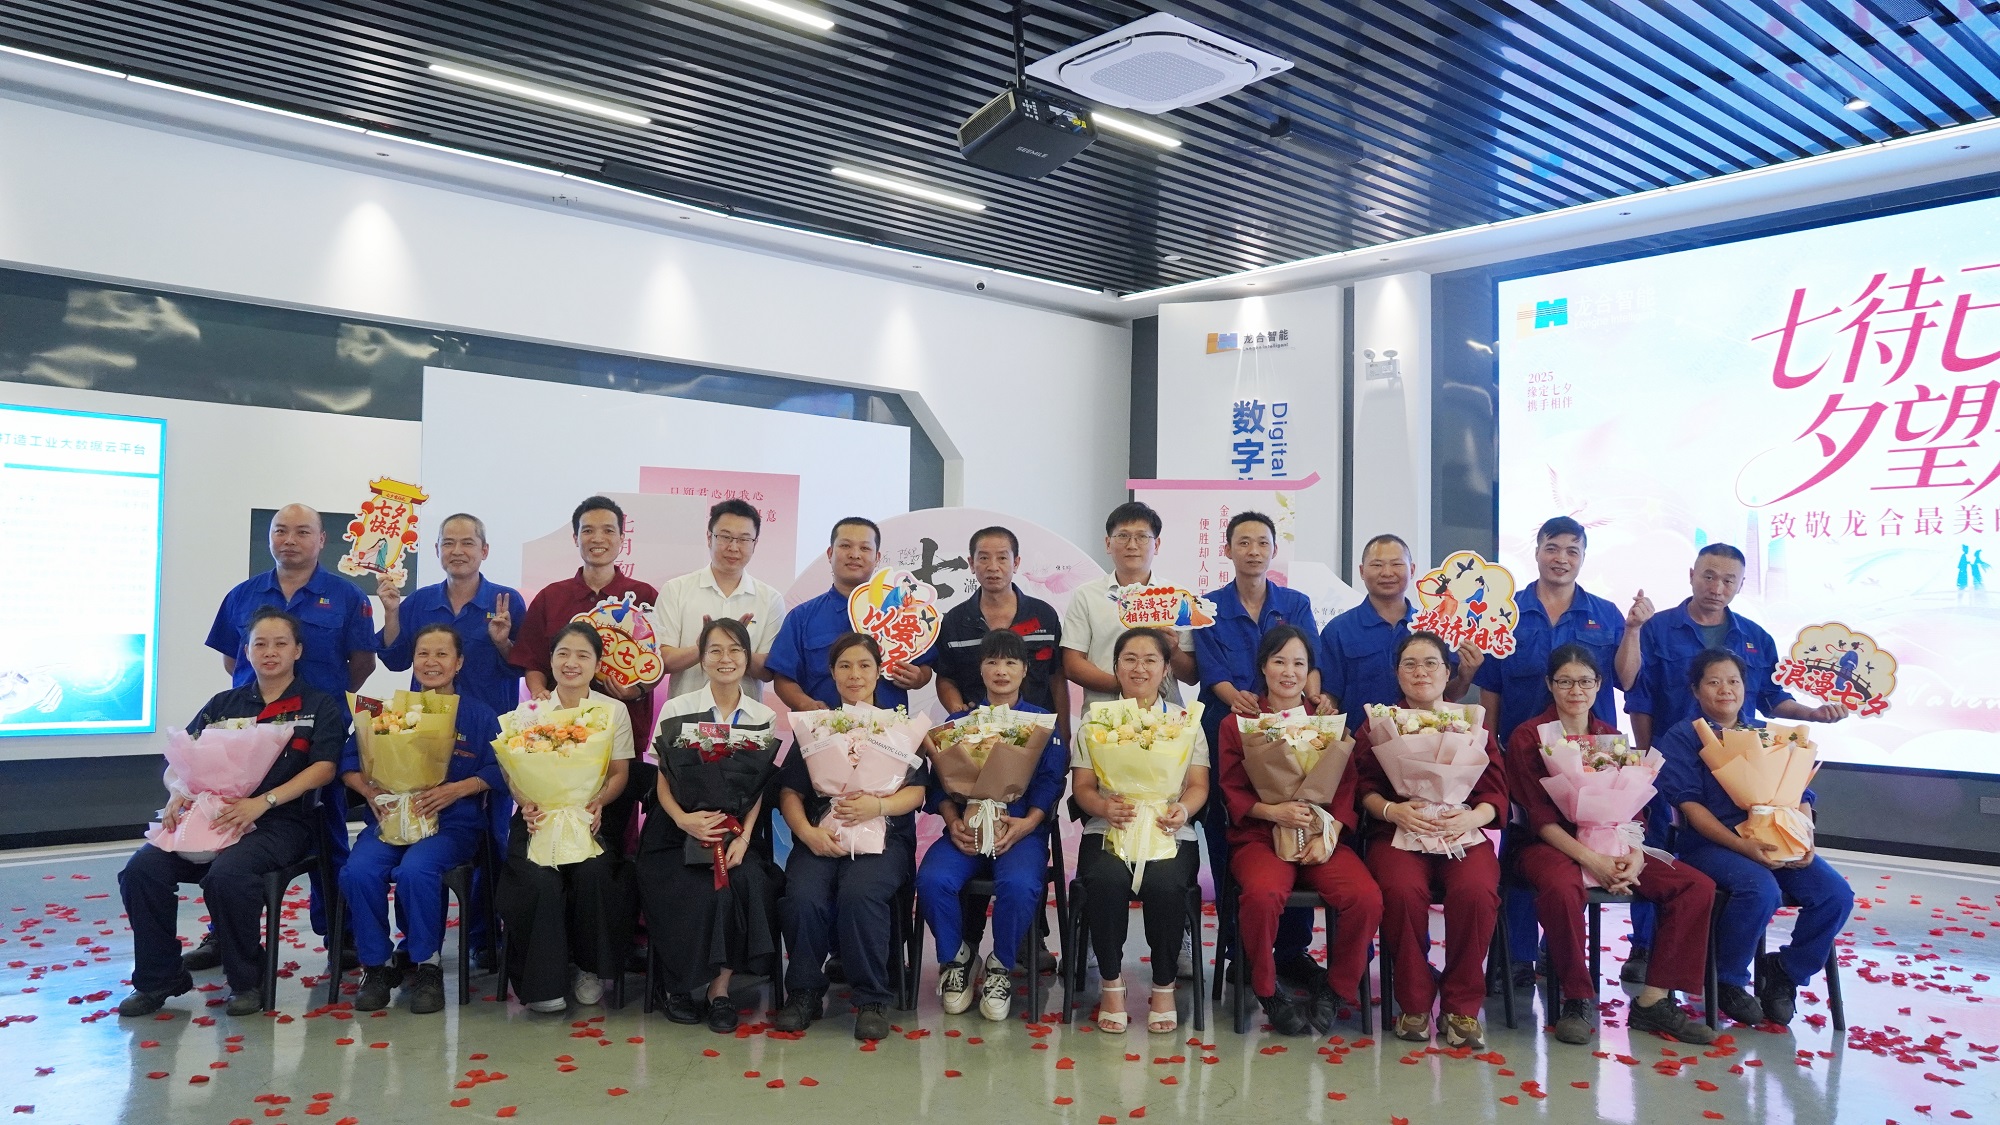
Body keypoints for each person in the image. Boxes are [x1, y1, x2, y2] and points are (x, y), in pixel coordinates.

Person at [1623, 543, 1843, 979]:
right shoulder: (1657, 628)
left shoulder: (1756, 637)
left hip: (1747, 789)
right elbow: (1639, 698)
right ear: (1691, 575)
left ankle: (1776, 974)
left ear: (1741, 585)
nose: (1717, 587)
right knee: (1658, 856)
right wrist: (1648, 762)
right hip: (1674, 765)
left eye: (1728, 580)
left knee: (1825, 892)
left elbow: (1773, 698)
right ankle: (1647, 948)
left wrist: (1812, 714)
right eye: (1709, 576)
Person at [118, 608, 349, 1017]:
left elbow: (324, 768)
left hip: (279, 823)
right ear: (246, 651)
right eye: (260, 644)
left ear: (297, 650)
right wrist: (177, 792)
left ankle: (246, 980)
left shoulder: (318, 705)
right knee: (141, 871)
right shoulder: (223, 704)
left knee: (228, 875)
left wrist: (264, 801)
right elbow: (179, 760)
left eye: (280, 644)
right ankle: (159, 978)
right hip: (211, 819)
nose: (270, 652)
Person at [1503, 644, 1717, 1046]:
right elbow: (1537, 816)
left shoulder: (1609, 737)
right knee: (1561, 887)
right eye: (1565, 682)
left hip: (1613, 841)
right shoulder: (1529, 736)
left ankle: (1654, 1001)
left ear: (1599, 684)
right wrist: (1593, 861)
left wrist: (1633, 856)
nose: (1576, 691)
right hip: (1545, 845)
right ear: (1550, 684)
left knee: (1695, 886)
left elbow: (1631, 809)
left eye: (1585, 681)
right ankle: (1577, 998)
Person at [1472, 516, 1645, 989]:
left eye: (1572, 550)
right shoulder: (1505, 611)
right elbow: (1491, 689)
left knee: (1585, 842)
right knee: (1522, 846)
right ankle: (1517, 956)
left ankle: (1557, 949)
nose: (1561, 558)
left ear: (1583, 557)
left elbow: (1627, 678)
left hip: (1591, 760)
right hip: (1523, 755)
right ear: (1536, 552)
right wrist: (1491, 750)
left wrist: (1632, 631)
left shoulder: (1606, 614)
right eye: (1552, 548)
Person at [203, 503, 374, 956]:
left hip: (317, 736)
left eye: (302, 532)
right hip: (248, 738)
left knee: (328, 834)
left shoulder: (347, 596)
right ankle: (224, 933)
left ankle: (339, 933)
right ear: (270, 537)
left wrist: (319, 705)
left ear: (322, 540)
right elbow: (233, 661)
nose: (290, 540)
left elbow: (362, 664)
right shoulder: (242, 594)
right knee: (230, 828)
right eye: (281, 531)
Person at [1657, 649, 1854, 1028]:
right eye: (1714, 682)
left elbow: (1799, 792)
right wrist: (1742, 845)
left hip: (1776, 837)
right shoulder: (1683, 737)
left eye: (1733, 681)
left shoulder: (1768, 732)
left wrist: (1804, 838)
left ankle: (1786, 971)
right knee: (1760, 890)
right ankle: (1727, 978)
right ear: (1695, 690)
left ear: (1745, 687)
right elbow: (1691, 809)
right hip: (1712, 844)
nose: (1725, 690)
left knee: (1835, 895)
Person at [1214, 625, 1382, 1035]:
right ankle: (1268, 990)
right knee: (1262, 895)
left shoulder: (1327, 723)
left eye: (1299, 664)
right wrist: (1275, 812)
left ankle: (1335, 989)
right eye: (1279, 662)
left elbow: (1346, 786)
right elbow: (1231, 791)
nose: (1289, 672)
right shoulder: (1238, 724)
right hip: (1261, 837)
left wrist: (1331, 831)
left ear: (1310, 672)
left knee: (1365, 897)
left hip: (1321, 835)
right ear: (1263, 667)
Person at [336, 623, 504, 1015]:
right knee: (358, 870)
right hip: (390, 819)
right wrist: (368, 791)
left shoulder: (478, 715)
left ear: (458, 663)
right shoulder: (386, 711)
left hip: (452, 824)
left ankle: (427, 965)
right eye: (423, 653)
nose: (431, 662)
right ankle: (376, 966)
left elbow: (502, 769)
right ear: (412, 660)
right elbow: (348, 761)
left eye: (442, 654)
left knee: (417, 870)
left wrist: (457, 789)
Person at [1192, 511, 1327, 990]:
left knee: (1297, 821)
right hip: (1229, 730)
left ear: (1273, 550)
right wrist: (1241, 703)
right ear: (1227, 550)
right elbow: (1211, 671)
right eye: (1243, 542)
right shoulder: (1208, 607)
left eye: (1262, 542)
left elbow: (1309, 661)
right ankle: (1239, 949)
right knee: (1230, 828)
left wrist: (1311, 699)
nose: (1253, 551)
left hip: (1291, 729)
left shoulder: (1295, 603)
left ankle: (1292, 951)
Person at [773, 633, 929, 1041]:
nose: (854, 674)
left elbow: (917, 792)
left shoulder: (898, 727)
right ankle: (804, 992)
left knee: (860, 893)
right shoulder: (817, 726)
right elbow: (790, 791)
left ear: (879, 672)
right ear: (832, 673)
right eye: (844, 666)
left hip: (883, 838)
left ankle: (872, 998)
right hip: (821, 836)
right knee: (803, 894)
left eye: (864, 665)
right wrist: (806, 832)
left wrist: (877, 806)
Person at [1354, 631, 1505, 1050]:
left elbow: (1495, 792)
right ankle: (1414, 1002)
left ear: (1448, 672)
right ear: (1397, 673)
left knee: (1476, 890)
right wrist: (1392, 810)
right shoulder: (1379, 723)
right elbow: (1362, 787)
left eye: (1430, 663)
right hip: (1399, 828)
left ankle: (1460, 1007)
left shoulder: (1471, 722)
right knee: (1401, 890)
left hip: (1461, 829)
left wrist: (1473, 816)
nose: (1420, 672)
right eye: (1410, 664)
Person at [636, 616, 784, 1033]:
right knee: (692, 889)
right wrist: (684, 819)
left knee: (745, 883)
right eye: (715, 649)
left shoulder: (761, 714)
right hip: (677, 829)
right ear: (701, 658)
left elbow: (757, 787)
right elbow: (663, 778)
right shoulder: (677, 708)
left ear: (746, 658)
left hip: (734, 832)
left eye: (735, 649)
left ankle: (720, 992)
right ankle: (677, 986)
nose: (725, 658)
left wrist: (745, 837)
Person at [916, 629, 1067, 1022]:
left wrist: (1028, 823)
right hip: (966, 829)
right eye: (992, 662)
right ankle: (958, 959)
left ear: (1025, 670)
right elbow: (939, 783)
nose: (1001, 670)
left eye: (1011, 662)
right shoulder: (958, 722)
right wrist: (952, 821)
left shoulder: (1041, 724)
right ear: (980, 670)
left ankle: (1000, 965)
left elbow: (1051, 782)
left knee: (1019, 884)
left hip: (1019, 832)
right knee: (932, 879)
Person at [1071, 628, 1209, 1035]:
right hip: (1109, 827)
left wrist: (1183, 809)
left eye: (1151, 660)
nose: (1139, 668)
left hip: (1169, 830)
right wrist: (1104, 807)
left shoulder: (1186, 722)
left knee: (1166, 885)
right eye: (1129, 659)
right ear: (1116, 667)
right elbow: (1082, 788)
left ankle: (1164, 984)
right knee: (1105, 880)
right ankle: (1111, 984)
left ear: (1166, 669)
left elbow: (1198, 784)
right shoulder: (1096, 720)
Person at [496, 622, 635, 1013]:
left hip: (590, 819)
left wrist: (598, 803)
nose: (571, 663)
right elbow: (512, 772)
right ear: (551, 660)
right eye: (563, 654)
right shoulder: (530, 712)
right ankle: (543, 982)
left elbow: (620, 773)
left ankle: (589, 969)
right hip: (537, 819)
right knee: (538, 880)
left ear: (597, 665)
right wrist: (525, 802)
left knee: (594, 874)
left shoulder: (613, 711)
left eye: (582, 655)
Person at [506, 497, 657, 845]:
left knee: (615, 835)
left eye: (608, 530)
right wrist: (539, 696)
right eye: (588, 530)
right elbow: (533, 661)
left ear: (622, 539)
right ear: (575, 538)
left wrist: (634, 691)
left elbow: (654, 664)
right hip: (556, 736)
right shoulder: (551, 597)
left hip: (619, 737)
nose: (597, 538)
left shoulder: (644, 596)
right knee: (550, 821)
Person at [768, 517, 934, 713]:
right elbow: (783, 677)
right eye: (845, 546)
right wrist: (806, 705)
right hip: (821, 728)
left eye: (864, 548)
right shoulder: (801, 617)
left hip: (888, 728)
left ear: (877, 557)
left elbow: (925, 667)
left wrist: (919, 678)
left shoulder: (904, 612)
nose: (855, 555)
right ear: (830, 553)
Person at [373, 513, 525, 718]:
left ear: (484, 550)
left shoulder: (507, 601)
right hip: (426, 720)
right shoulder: (420, 600)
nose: (457, 551)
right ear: (437, 550)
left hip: (489, 721)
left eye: (467, 543)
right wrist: (391, 613)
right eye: (448, 543)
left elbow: (522, 667)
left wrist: (502, 643)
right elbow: (395, 662)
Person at [1319, 534, 1480, 715]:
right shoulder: (1338, 630)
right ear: (1362, 571)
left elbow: (1447, 695)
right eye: (1377, 565)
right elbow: (1329, 696)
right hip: (1359, 733)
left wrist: (1465, 677)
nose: (1387, 573)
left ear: (1412, 570)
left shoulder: (1434, 628)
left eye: (1396, 564)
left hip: (1426, 731)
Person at [1060, 502, 1197, 710]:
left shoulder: (1178, 597)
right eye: (1123, 536)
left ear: (1157, 545)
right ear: (1108, 543)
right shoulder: (1086, 595)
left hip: (1165, 718)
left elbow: (1192, 676)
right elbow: (1072, 664)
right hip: (1103, 716)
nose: (1132, 545)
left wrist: (1174, 651)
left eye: (1142, 537)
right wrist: (1131, 686)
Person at [656, 498, 785, 702]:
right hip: (686, 714)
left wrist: (737, 647)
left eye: (743, 539)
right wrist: (702, 648)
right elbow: (662, 660)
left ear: (755, 544)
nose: (733, 547)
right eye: (725, 537)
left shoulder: (770, 599)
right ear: (709, 538)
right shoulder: (676, 590)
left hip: (745, 718)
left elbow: (768, 671)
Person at [934, 526, 1067, 718]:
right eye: (984, 558)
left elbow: (1057, 677)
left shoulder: (1043, 615)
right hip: (979, 729)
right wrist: (960, 715)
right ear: (971, 563)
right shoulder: (955, 621)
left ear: (1016, 563)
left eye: (1002, 558)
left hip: (1037, 725)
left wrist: (1062, 730)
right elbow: (946, 677)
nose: (993, 567)